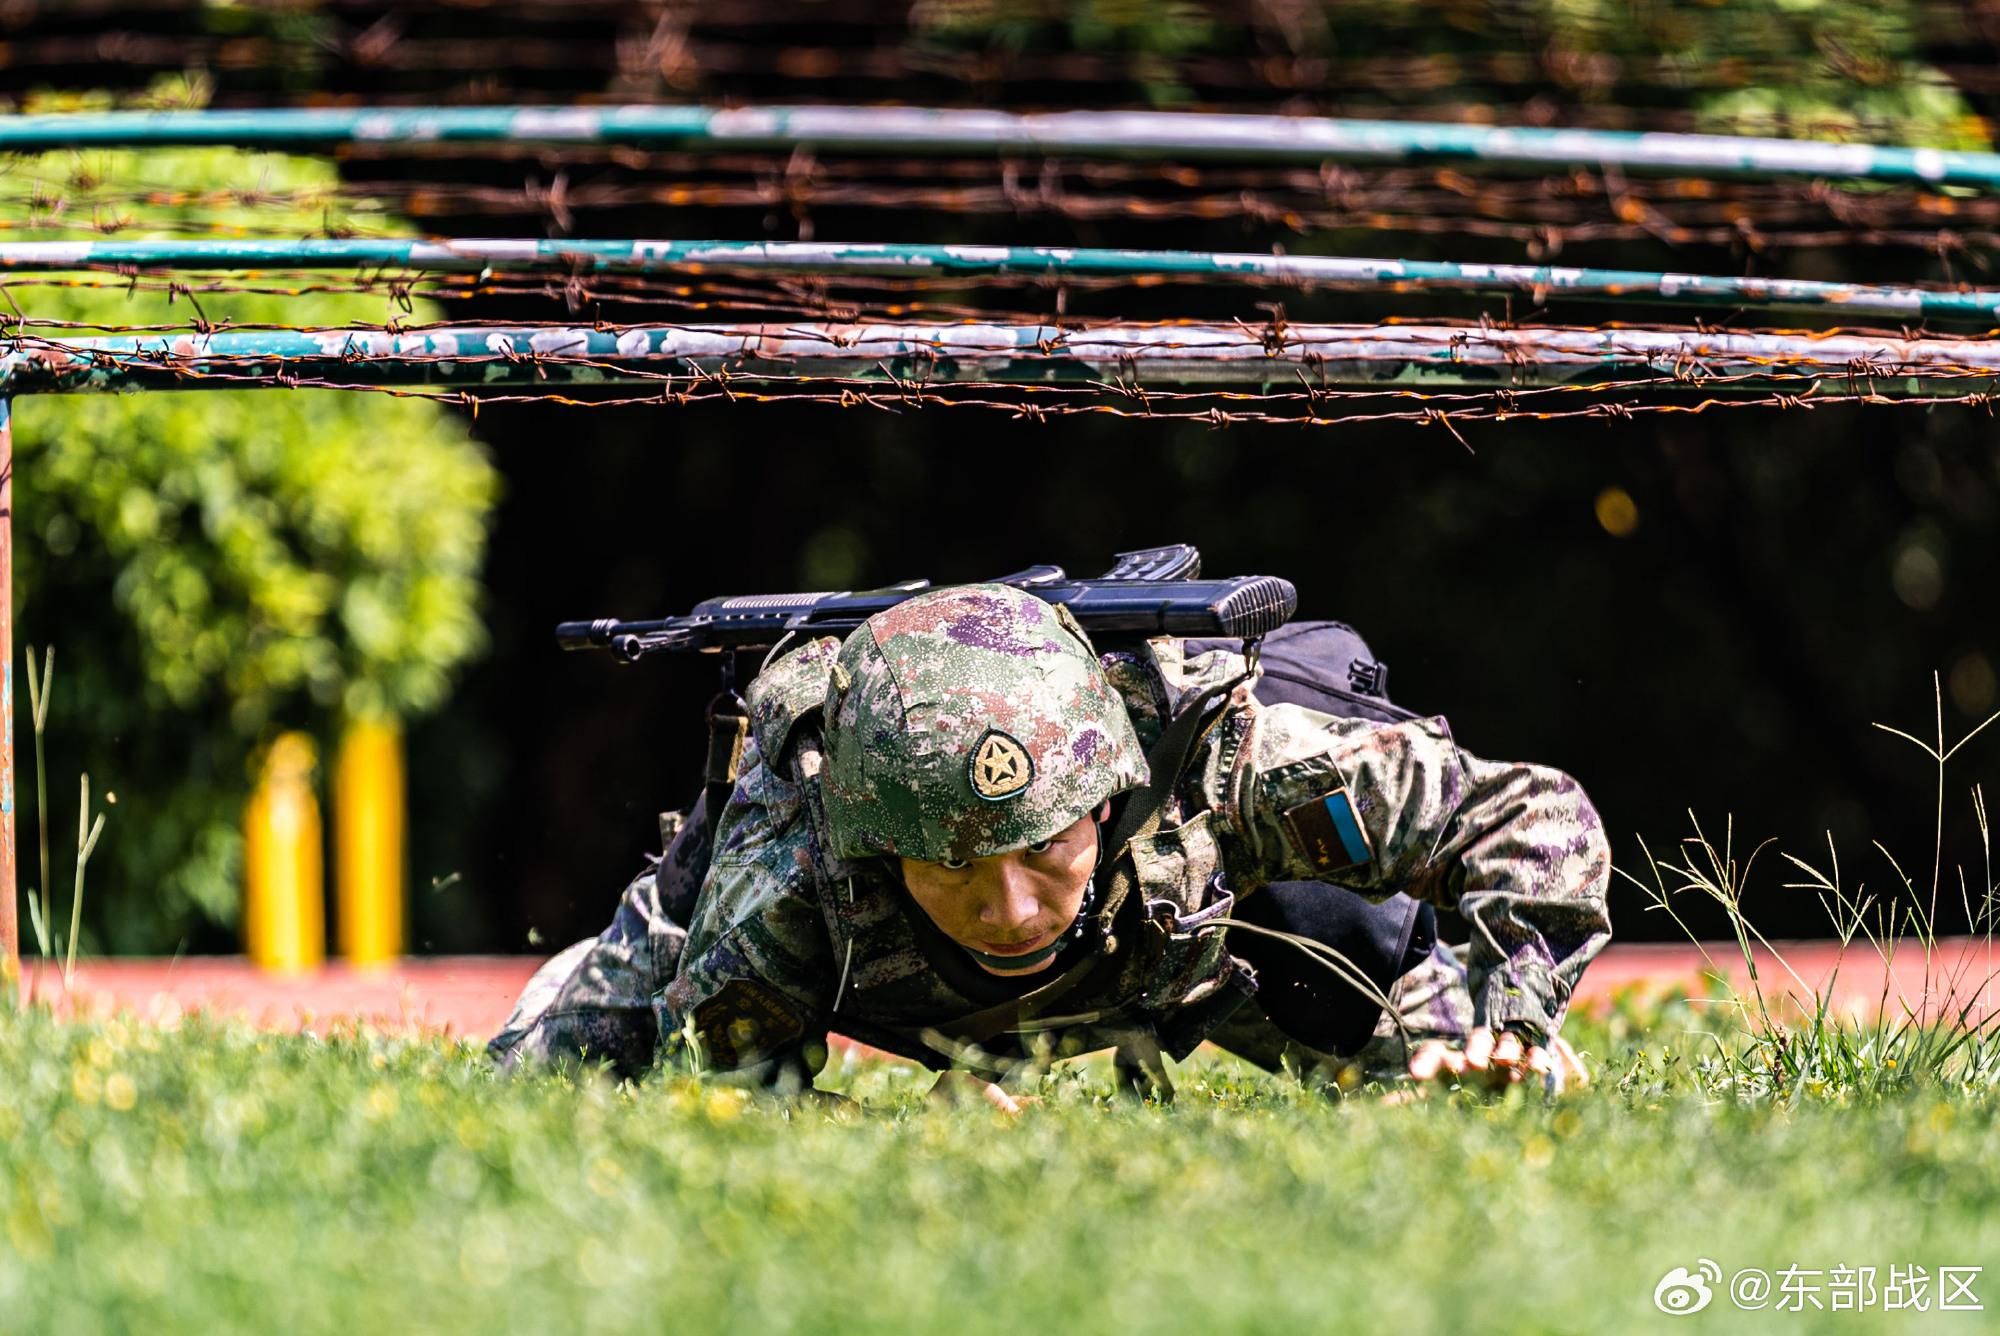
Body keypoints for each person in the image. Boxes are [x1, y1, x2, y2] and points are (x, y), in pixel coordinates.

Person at [491, 582, 1611, 1104]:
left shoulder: (1212, 760)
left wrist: (1498, 1007)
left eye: (1044, 849)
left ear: (1111, 797)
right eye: (953, 869)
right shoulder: (786, 870)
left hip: (1177, 959)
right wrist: (891, 1141)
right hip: (796, 932)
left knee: (1421, 1081)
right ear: (879, 853)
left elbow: (1528, 816)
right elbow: (738, 1082)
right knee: (562, 1067)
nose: (1015, 908)